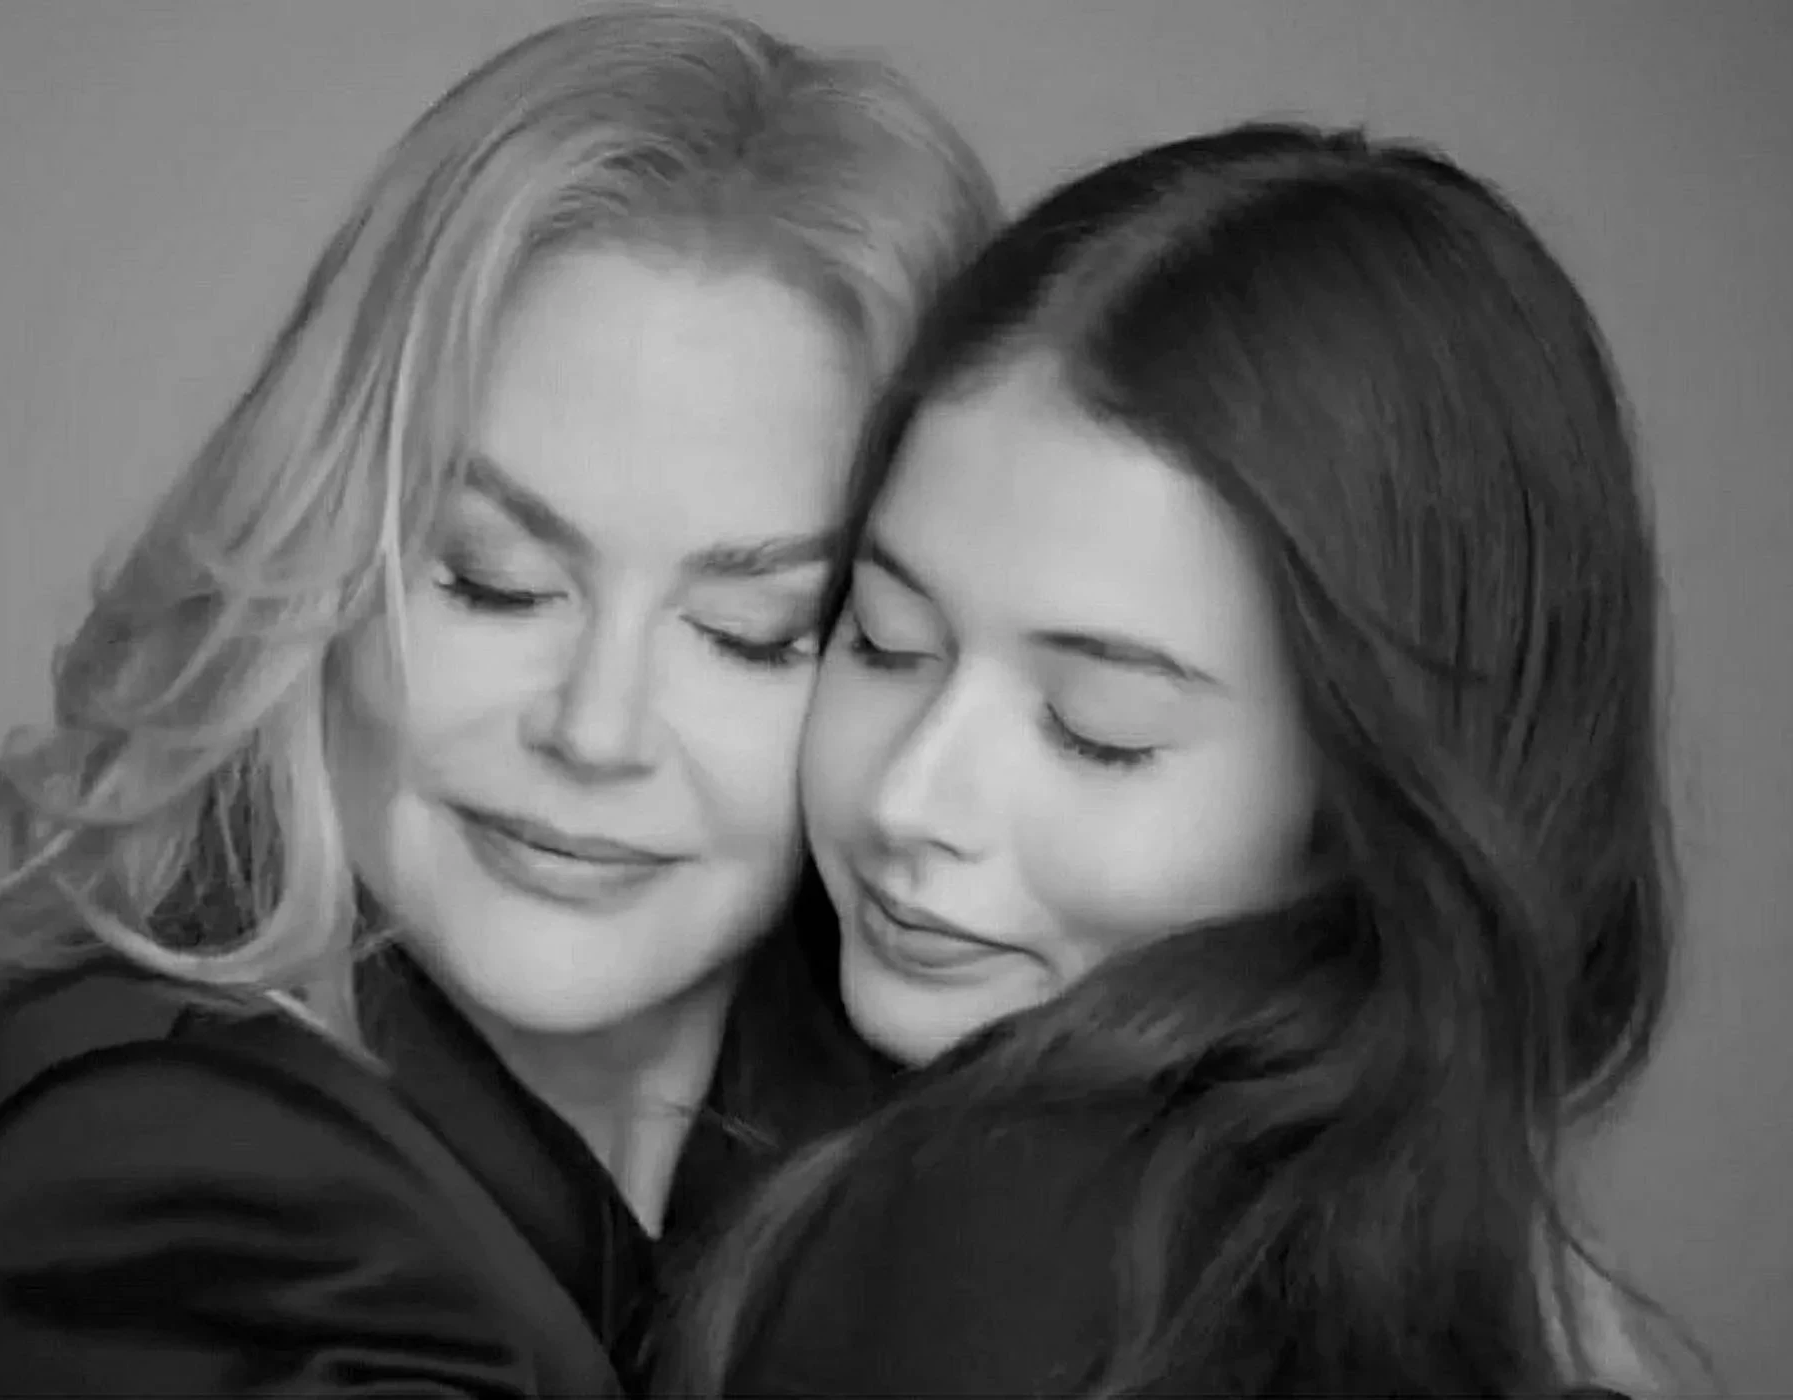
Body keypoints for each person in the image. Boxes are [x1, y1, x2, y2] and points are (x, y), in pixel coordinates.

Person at [0, 7, 997, 1395]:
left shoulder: (885, 1150)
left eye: (750, 633)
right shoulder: (158, 1185)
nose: (594, 729)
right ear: (323, 564)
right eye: (493, 580)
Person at [659, 122, 1683, 1397]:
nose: (909, 797)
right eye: (884, 640)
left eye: (1099, 728)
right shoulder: (1448, 1246)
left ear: (1372, 795)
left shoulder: (1001, 1221)